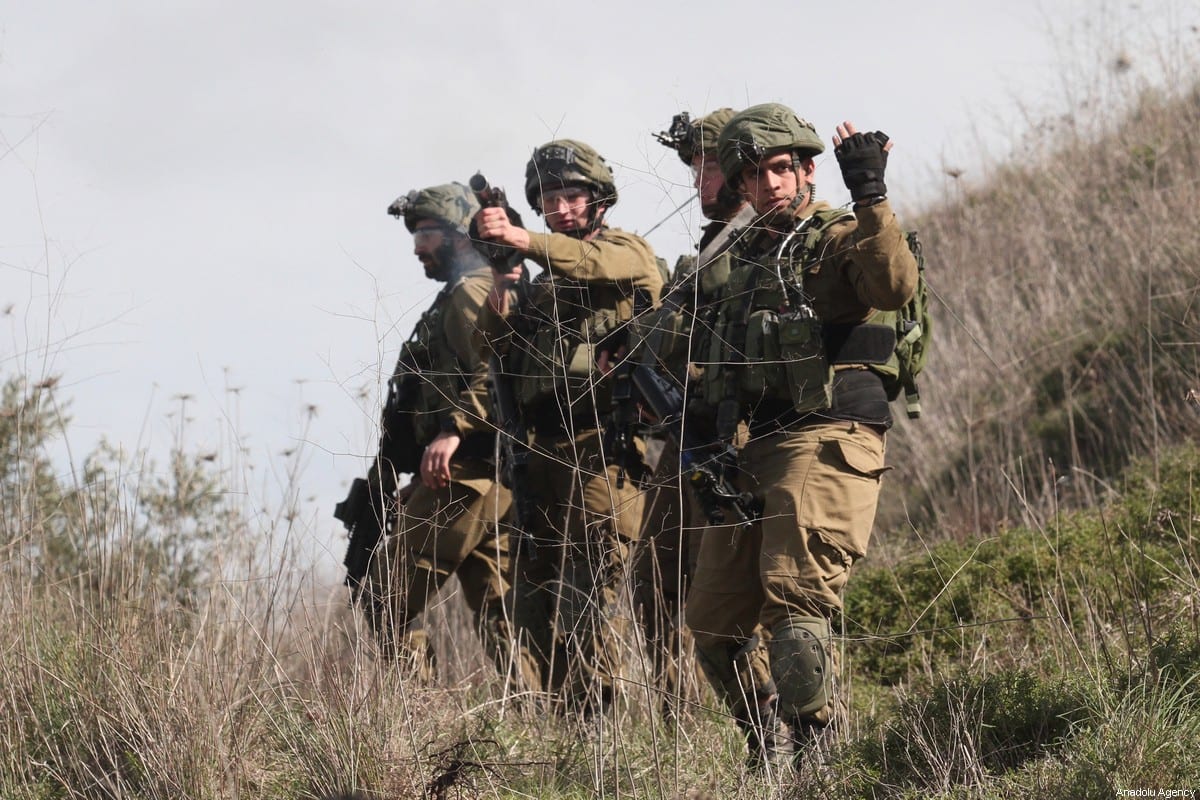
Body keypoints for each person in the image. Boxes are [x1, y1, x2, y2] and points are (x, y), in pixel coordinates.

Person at [684, 103, 918, 765]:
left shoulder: (836, 237)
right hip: (753, 448)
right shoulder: (738, 262)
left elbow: (893, 284)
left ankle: (817, 757)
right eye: (755, 176)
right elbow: (711, 364)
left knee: (794, 603)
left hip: (829, 434)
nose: (772, 185)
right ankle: (769, 751)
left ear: (807, 169)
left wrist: (870, 193)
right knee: (712, 624)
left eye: (782, 169)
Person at [474, 139, 663, 714]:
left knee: (592, 598)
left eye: (572, 195)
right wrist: (504, 277)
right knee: (531, 607)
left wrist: (522, 240)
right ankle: (562, 729)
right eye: (549, 198)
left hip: (602, 451)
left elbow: (594, 262)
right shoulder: (539, 286)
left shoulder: (625, 252)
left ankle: (604, 733)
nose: (560, 207)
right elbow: (491, 345)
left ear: (598, 199)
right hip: (541, 459)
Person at [358, 182, 514, 683]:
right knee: (504, 616)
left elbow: (497, 371)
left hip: (468, 474)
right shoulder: (462, 293)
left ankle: (418, 714)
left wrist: (452, 433)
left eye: (425, 232)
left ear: (460, 235)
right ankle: (545, 722)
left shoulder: (471, 291)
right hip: (472, 475)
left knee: (382, 593)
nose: (416, 246)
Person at [632, 108, 758, 719]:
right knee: (651, 585)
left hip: (736, 438)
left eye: (709, 167)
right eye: (695, 169)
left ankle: (782, 724)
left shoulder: (764, 240)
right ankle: (681, 726)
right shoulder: (709, 249)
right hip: (685, 437)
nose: (699, 183)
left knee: (735, 589)